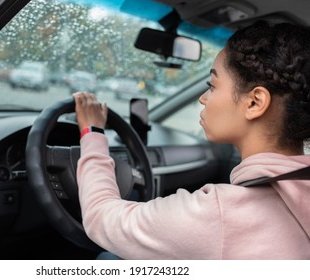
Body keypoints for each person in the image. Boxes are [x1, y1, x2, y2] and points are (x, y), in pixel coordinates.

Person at [72, 20, 310, 259]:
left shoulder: (218, 214)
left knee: (108, 259)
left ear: (254, 102)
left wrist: (92, 132)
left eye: (213, 85)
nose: (203, 99)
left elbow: (101, 217)